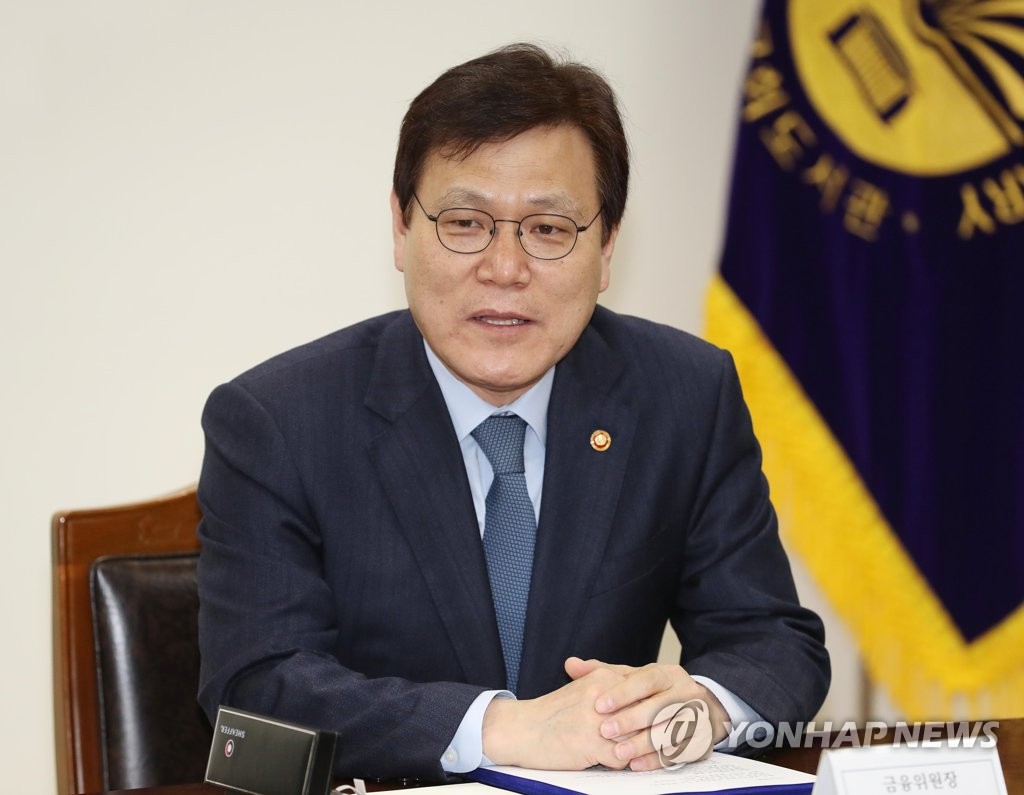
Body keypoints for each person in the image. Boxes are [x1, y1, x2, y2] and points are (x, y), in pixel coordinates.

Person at [196, 42, 829, 782]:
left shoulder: (684, 394)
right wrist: (505, 727)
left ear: (607, 245)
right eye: (465, 222)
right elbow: (255, 686)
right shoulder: (278, 421)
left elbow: (772, 637)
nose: (504, 269)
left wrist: (702, 708)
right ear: (401, 226)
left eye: (549, 229)